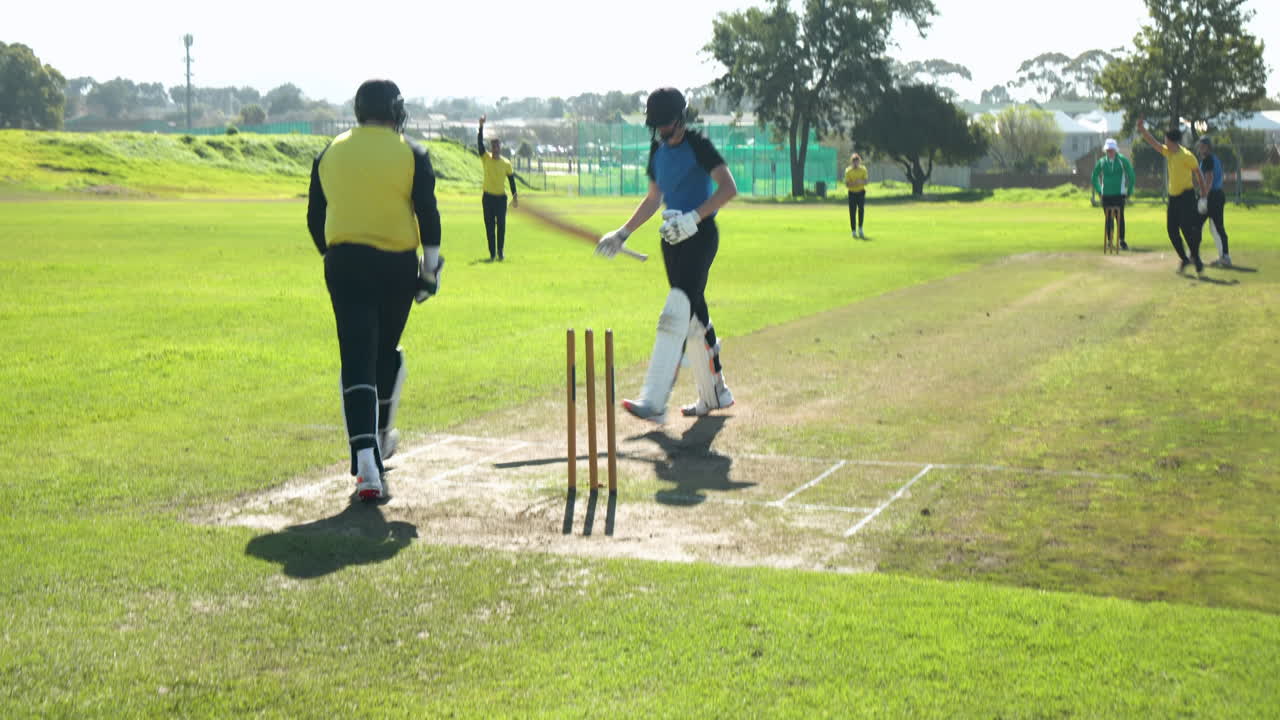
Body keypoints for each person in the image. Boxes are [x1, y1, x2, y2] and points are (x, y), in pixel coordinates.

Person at [306, 79, 444, 501]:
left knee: (358, 357)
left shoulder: (330, 151)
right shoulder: (412, 152)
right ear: (395, 109)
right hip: (396, 265)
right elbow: (428, 215)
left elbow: (316, 218)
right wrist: (430, 272)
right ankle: (373, 448)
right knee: (382, 352)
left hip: (345, 262)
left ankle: (369, 453)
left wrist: (332, 255)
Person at [594, 87, 737, 422]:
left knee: (676, 310)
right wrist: (622, 233)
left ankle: (655, 402)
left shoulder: (699, 145)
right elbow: (653, 198)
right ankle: (715, 394)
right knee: (693, 315)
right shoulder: (656, 148)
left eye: (665, 123)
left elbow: (728, 188)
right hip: (671, 238)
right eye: (655, 124)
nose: (660, 130)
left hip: (700, 236)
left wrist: (694, 218)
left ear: (680, 118)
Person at [1137, 117, 1208, 277]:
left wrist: (1203, 195)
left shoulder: (1186, 155)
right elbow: (1154, 143)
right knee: (1171, 231)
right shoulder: (1169, 152)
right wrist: (1142, 130)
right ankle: (1185, 258)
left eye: (1166, 139)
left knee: (1186, 229)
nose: (1164, 141)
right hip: (1173, 198)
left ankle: (1196, 260)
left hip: (1186, 196)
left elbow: (1199, 174)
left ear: (1173, 141)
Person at [477, 115, 517, 261]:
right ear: (491, 148)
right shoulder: (486, 158)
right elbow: (480, 145)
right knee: (489, 227)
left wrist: (515, 195)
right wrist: (481, 127)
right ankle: (492, 253)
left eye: (497, 147)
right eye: (493, 147)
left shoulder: (506, 163)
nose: (495, 149)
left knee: (501, 226)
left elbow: (512, 181)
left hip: (500, 199)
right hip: (487, 198)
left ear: (500, 148)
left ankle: (500, 251)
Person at [1091, 138, 1136, 250]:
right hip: (1105, 195)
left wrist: (1129, 191)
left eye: (1111, 150)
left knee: (1119, 217)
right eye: (1108, 150)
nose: (1110, 152)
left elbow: (1131, 175)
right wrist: (1099, 191)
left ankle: (1121, 241)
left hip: (1119, 194)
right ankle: (1109, 240)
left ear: (1115, 150)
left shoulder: (1122, 160)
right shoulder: (1102, 162)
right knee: (1108, 218)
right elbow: (1094, 176)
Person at [1196, 136, 1231, 267]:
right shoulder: (1214, 158)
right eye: (1200, 145)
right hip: (1216, 196)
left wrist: (1204, 196)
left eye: (1203, 145)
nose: (1200, 148)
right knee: (1213, 227)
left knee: (1205, 226)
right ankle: (1224, 256)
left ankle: (1224, 257)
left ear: (1208, 147)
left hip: (1212, 197)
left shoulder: (1208, 159)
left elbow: (1209, 179)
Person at [844, 153, 868, 239]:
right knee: (852, 212)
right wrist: (855, 183)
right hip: (852, 193)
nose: (856, 164)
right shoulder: (848, 171)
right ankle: (853, 230)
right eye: (854, 162)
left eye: (857, 162)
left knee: (861, 209)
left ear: (859, 162)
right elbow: (847, 184)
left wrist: (859, 182)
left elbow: (865, 181)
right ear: (852, 162)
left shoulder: (863, 170)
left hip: (861, 192)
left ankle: (860, 228)